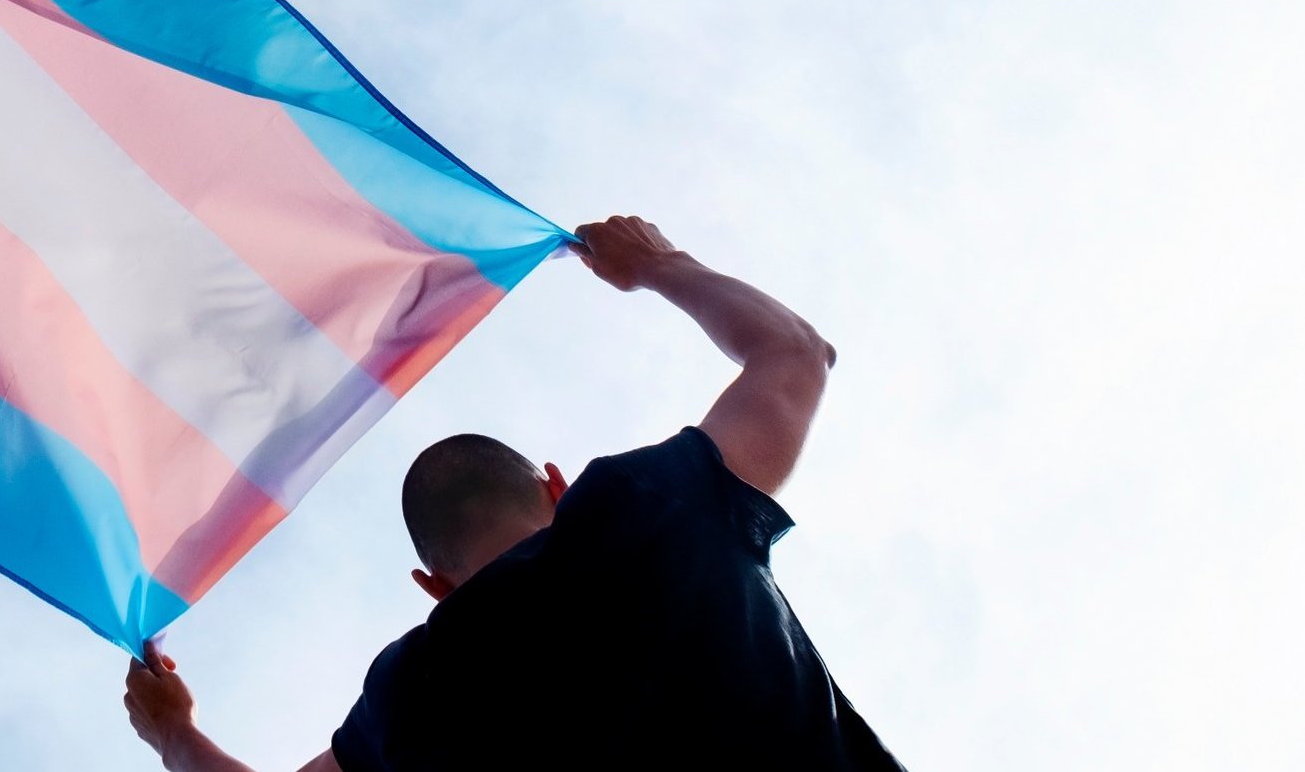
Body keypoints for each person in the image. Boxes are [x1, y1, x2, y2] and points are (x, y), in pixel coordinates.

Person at [122, 216, 903, 770]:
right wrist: (657, 263)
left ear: (435, 586)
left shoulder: (406, 698)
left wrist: (174, 736)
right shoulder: (647, 504)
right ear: (558, 488)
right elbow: (796, 354)